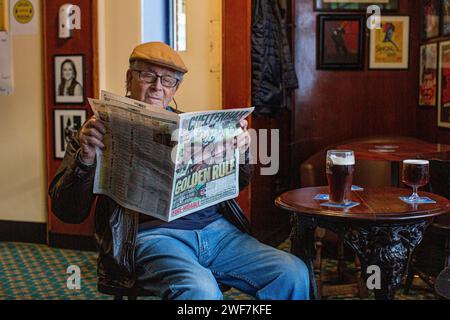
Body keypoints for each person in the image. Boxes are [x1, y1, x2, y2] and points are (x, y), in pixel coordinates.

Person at [49, 41, 310, 300]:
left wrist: (240, 152)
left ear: (176, 87)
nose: (157, 87)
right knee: (200, 291)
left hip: (217, 232)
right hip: (153, 237)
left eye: (168, 81)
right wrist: (85, 158)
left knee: (293, 272)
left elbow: (237, 183)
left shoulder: (195, 128)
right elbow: (67, 211)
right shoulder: (96, 132)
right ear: (129, 78)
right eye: (148, 76)